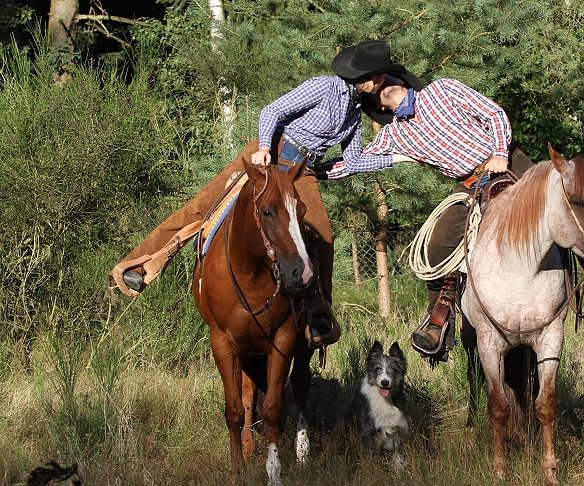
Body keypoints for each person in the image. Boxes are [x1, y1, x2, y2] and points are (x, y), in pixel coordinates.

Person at [108, 40, 415, 348]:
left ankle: (319, 312)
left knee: (324, 234)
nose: (380, 83)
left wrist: (399, 157)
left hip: (301, 172)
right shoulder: (323, 87)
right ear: (370, 78)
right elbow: (273, 110)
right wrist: (265, 147)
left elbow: (355, 161)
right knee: (202, 206)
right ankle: (138, 267)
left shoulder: (353, 115)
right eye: (379, 76)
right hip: (271, 154)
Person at [319, 77, 584, 358]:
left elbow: (494, 114)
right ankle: (439, 316)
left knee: (561, 207)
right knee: (438, 243)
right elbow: (354, 162)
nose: (382, 100)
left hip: (508, 160)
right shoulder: (395, 135)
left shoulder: (442, 92)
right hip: (470, 183)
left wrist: (501, 153)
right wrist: (310, 170)